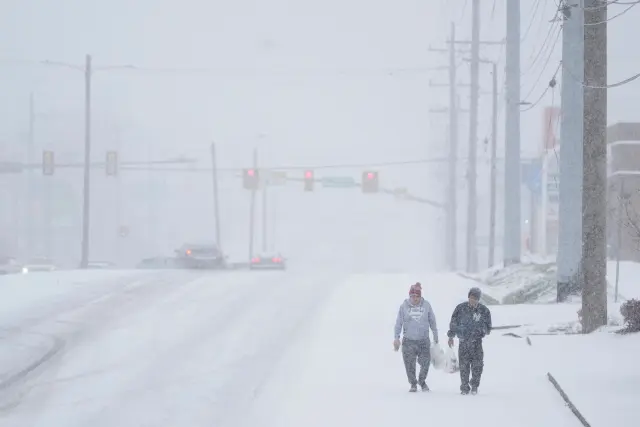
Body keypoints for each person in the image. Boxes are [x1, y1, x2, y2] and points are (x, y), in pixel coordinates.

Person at [393, 283, 439, 392]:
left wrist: (435, 335)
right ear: (409, 296)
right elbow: (398, 323)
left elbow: (432, 321)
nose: (415, 298)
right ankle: (413, 383)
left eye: (417, 296)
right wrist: (396, 337)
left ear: (420, 296)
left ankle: (422, 381)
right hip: (408, 341)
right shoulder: (404, 306)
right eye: (412, 296)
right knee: (409, 364)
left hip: (423, 340)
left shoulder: (426, 305)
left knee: (425, 362)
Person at [446, 287, 492, 395]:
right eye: (471, 297)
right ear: (468, 297)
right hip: (463, 343)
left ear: (478, 299)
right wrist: (451, 336)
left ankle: (474, 386)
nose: (473, 300)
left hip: (477, 343)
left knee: (478, 366)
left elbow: (488, 328)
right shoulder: (460, 308)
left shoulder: (484, 311)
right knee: (464, 367)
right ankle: (464, 388)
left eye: (475, 298)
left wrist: (481, 329)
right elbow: (453, 324)